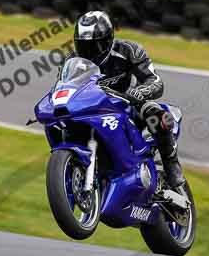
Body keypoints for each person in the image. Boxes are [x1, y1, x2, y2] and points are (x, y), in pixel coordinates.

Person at [72, 10, 185, 189]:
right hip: (93, 109)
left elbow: (155, 81)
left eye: (95, 46)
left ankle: (171, 165)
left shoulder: (128, 51)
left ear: (109, 40)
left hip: (126, 104)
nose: (89, 52)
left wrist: (139, 92)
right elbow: (65, 87)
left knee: (158, 115)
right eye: (83, 46)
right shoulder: (73, 61)